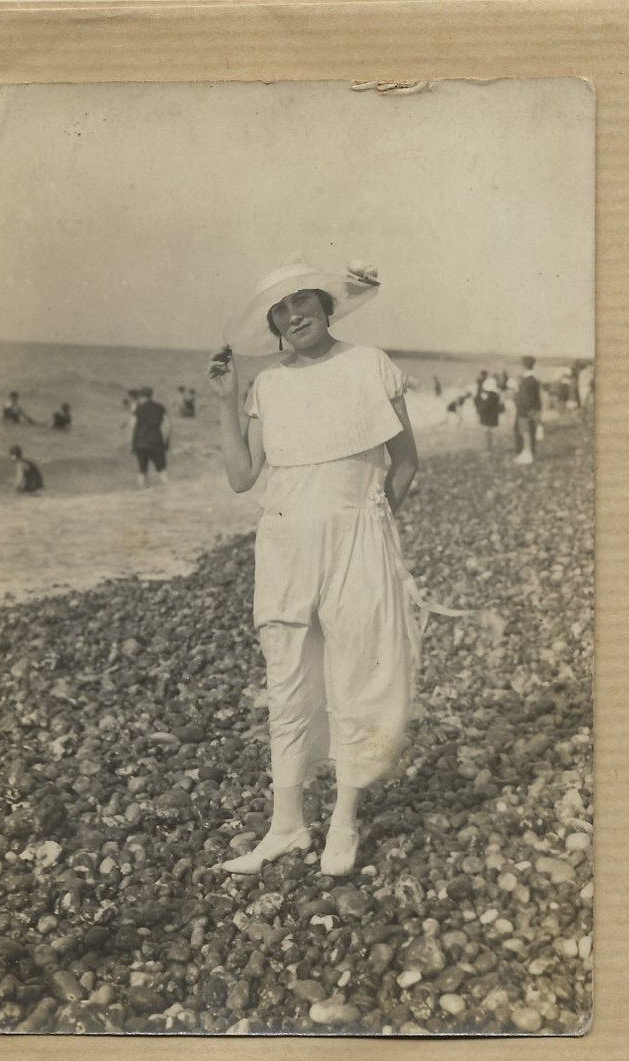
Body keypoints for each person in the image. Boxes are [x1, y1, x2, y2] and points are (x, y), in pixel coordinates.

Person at [207, 259, 426, 878]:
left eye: (303, 302)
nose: (294, 315)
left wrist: (374, 522)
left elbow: (404, 463)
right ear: (273, 325)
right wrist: (226, 401)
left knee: (359, 673)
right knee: (287, 679)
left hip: (358, 539)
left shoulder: (369, 364)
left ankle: (344, 823)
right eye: (280, 310)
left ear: (326, 307)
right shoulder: (268, 385)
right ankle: (286, 825)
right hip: (283, 542)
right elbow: (241, 477)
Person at [131, 386, 171, 487]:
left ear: (141, 397)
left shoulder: (138, 408)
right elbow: (168, 425)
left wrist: (133, 443)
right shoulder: (159, 407)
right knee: (161, 468)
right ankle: (168, 489)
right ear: (150, 396)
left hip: (140, 442)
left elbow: (131, 425)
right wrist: (166, 441)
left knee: (142, 469)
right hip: (156, 441)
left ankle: (141, 490)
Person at [513, 355, 542, 464]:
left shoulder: (527, 380)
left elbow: (526, 398)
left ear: (524, 366)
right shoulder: (533, 379)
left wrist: (517, 398)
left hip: (525, 411)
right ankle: (527, 453)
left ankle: (527, 454)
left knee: (525, 433)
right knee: (527, 432)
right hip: (530, 410)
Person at [473, 372, 504, 452]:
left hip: (488, 418)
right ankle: (490, 447)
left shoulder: (491, 397)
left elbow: (485, 407)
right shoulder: (495, 396)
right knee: (490, 433)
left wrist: (479, 409)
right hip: (493, 418)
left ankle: (489, 448)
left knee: (487, 433)